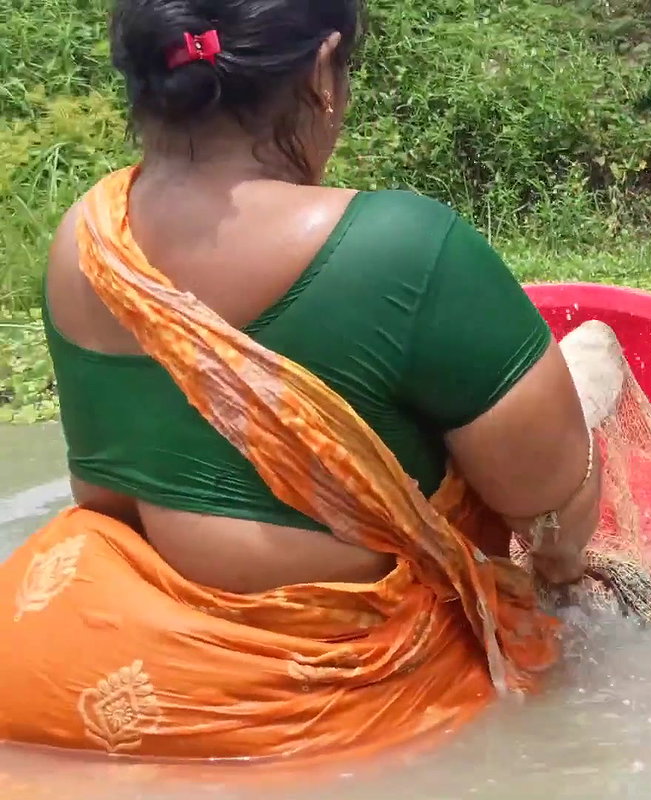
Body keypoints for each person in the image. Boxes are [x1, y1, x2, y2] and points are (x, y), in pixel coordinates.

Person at [0, 0, 600, 760]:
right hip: (304, 721)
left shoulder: (84, 237)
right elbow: (550, 522)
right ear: (321, 71)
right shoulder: (403, 251)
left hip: (55, 677)